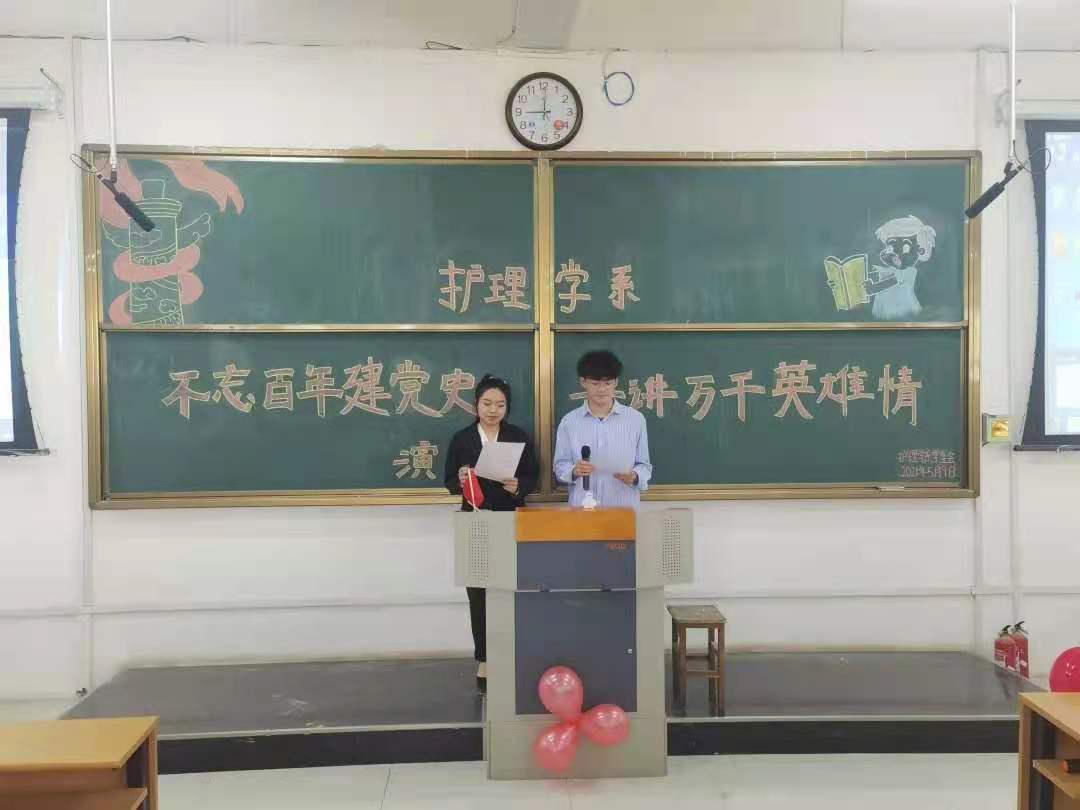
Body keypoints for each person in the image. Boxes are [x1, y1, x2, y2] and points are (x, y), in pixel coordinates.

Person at [444, 374, 539, 690]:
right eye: (487, 403)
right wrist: (461, 478)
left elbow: (532, 476)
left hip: (509, 519)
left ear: (507, 407)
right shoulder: (462, 439)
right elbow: (448, 482)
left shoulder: (517, 436)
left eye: (500, 404)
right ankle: (484, 659)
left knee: (512, 588)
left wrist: (518, 486)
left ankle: (513, 655)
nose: (493, 410)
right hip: (475, 521)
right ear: (476, 404)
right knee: (478, 592)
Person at [553, 350, 652, 508]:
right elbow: (560, 466)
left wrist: (635, 476)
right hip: (582, 509)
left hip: (623, 509)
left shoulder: (635, 420)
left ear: (616, 382)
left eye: (607, 383)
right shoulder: (569, 422)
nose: (602, 389)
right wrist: (574, 471)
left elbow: (644, 465)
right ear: (583, 382)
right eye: (595, 383)